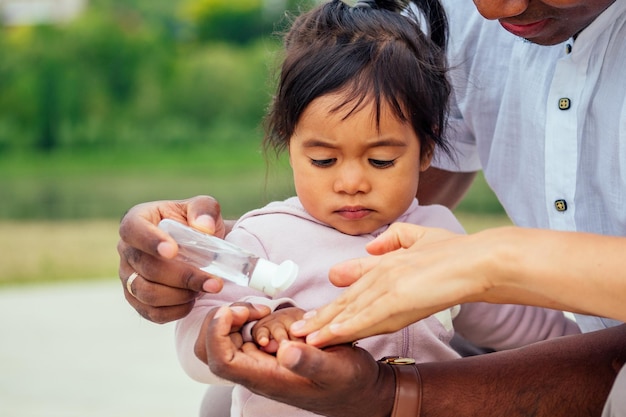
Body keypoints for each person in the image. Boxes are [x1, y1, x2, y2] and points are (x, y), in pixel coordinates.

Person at [117, 0, 626, 415]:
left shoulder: (434, 229)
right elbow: (200, 344)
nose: (353, 183)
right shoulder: (258, 239)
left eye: (382, 159)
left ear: (428, 149)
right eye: (322, 158)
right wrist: (251, 330)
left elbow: (515, 327)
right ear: (288, 146)